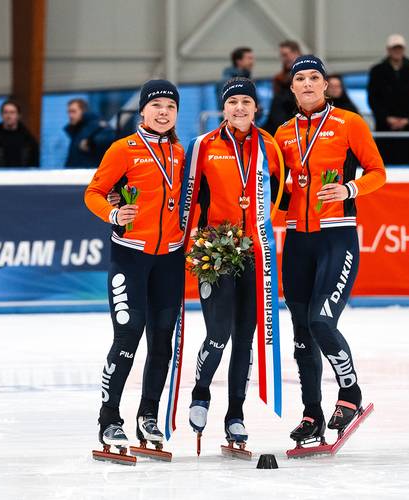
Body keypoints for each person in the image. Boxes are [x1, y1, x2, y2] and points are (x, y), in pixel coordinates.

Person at [274, 55, 386, 444]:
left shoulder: (349, 123)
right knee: (302, 332)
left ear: (326, 85)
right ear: (292, 88)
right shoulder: (283, 133)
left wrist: (348, 190)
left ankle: (350, 391)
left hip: (336, 235)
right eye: (300, 78)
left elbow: (378, 172)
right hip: (296, 239)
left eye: (314, 78)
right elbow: (275, 187)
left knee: (322, 321)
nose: (307, 84)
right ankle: (311, 414)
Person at [85, 80, 185, 452]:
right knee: (129, 334)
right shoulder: (122, 149)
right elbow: (93, 192)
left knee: (162, 341)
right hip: (130, 256)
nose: (163, 112)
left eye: (170, 107)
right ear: (142, 111)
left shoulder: (180, 152)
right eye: (156, 105)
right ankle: (109, 418)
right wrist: (113, 212)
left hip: (170, 260)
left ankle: (148, 416)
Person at [182, 78, 283, 448]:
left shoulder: (269, 146)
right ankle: (200, 393)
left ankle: (235, 415)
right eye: (233, 102)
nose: (240, 108)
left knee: (245, 338)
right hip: (216, 252)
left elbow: (284, 195)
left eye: (246, 102)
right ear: (223, 108)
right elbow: (188, 199)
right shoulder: (203, 147)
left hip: (256, 254)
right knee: (219, 333)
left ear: (256, 108)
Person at [367, 34, 409, 164]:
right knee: (384, 164)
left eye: (400, 48)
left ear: (404, 50)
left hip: (408, 129)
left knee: (407, 163)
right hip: (385, 128)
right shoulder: (377, 71)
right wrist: (386, 118)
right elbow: (373, 98)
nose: (397, 51)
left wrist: (408, 119)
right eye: (394, 48)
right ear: (388, 50)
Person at [0, 100, 40, 167]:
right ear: (1, 115)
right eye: (5, 112)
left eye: (12, 112)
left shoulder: (28, 138)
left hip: (22, 176)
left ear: (18, 115)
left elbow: (35, 163)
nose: (9, 116)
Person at [262, 40, 302, 134]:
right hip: (282, 126)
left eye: (285, 55)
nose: (283, 59)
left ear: (296, 53)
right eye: (282, 56)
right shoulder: (279, 78)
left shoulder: (310, 75)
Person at [65, 98, 116, 168]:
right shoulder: (78, 130)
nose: (70, 115)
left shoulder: (97, 127)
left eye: (73, 111)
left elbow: (108, 140)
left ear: (83, 111)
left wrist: (90, 142)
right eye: (69, 112)